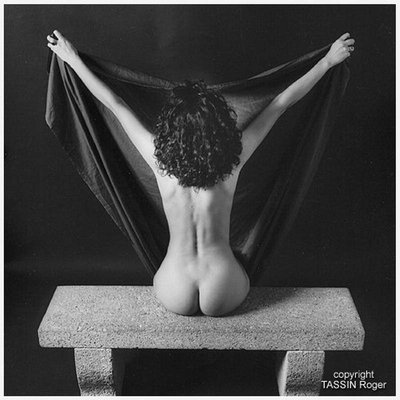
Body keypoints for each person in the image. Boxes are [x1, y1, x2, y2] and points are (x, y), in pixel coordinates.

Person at [47, 30, 355, 317]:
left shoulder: (158, 160)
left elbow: (115, 103)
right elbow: (280, 103)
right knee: (242, 267)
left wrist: (72, 59)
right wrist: (327, 62)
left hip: (174, 287)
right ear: (218, 127)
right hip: (223, 285)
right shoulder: (232, 161)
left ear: (172, 129)